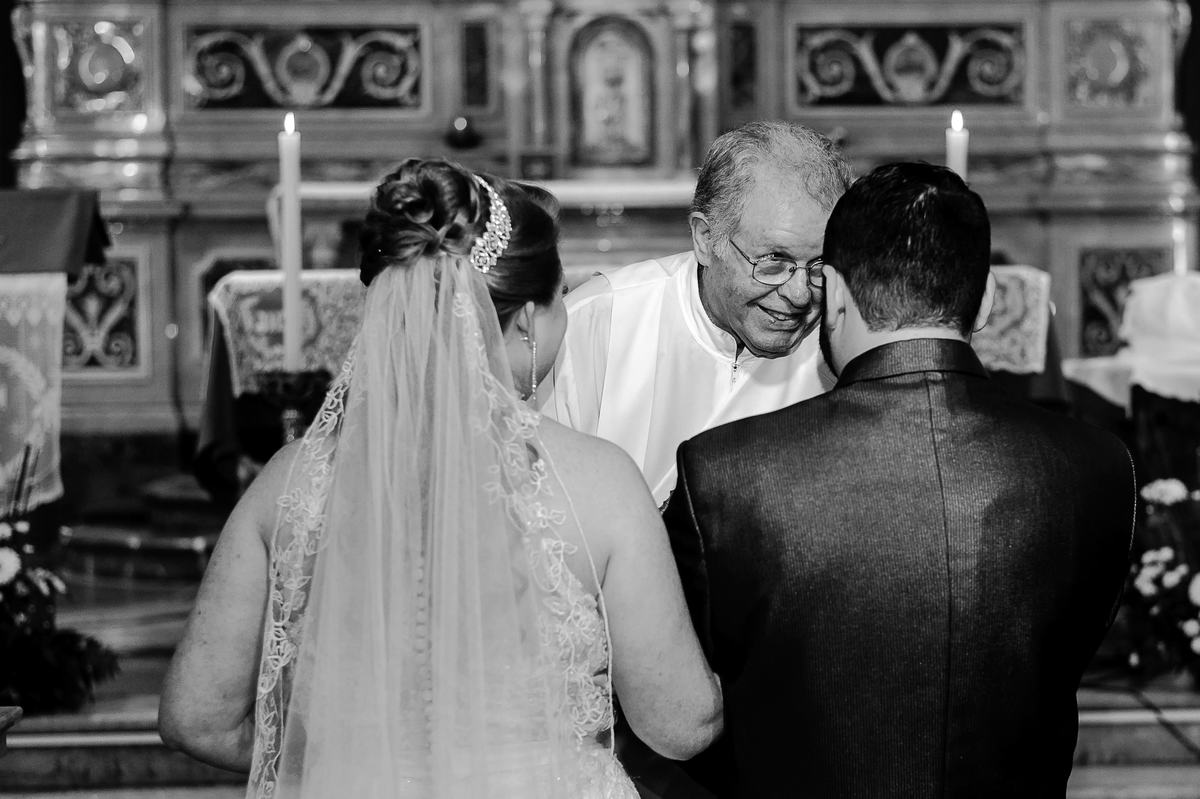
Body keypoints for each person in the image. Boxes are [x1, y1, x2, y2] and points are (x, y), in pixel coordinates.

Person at [158, 159, 722, 798]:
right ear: (529, 321)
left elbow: (195, 717)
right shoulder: (598, 484)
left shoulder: (290, 482)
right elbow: (680, 724)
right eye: (563, 294)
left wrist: (340, 762)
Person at [664, 162, 1134, 798]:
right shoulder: (1100, 466)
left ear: (829, 289)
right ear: (991, 298)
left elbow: (686, 704)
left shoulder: (720, 473)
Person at [540, 120, 852, 506]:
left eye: (821, 264)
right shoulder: (597, 323)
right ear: (705, 239)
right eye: (774, 261)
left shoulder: (849, 335)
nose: (800, 293)